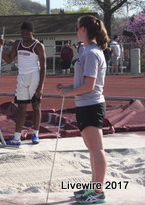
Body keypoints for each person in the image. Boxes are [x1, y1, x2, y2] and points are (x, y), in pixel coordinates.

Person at [56, 15, 109, 204]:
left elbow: (90, 86)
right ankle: (94, 187)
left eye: (77, 28)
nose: (76, 31)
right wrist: (68, 89)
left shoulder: (92, 53)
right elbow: (82, 84)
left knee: (97, 150)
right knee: (92, 149)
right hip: (85, 105)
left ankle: (99, 191)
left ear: (84, 29)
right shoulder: (87, 51)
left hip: (92, 105)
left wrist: (69, 93)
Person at [0, 22, 46, 145]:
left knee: (36, 106)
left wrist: (41, 86)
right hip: (22, 77)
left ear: (32, 32)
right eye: (22, 33)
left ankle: (35, 134)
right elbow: (8, 60)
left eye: (27, 33)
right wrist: (0, 49)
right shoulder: (18, 44)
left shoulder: (38, 46)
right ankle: (17, 137)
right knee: (21, 108)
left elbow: (44, 67)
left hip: (34, 76)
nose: (24, 35)